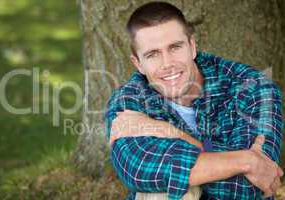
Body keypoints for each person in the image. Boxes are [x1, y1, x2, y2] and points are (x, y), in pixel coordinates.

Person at [104, 2, 283, 200]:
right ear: (138, 63)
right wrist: (246, 161)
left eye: (175, 47)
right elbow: (138, 171)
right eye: (152, 54)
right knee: (162, 192)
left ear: (192, 46)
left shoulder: (253, 87)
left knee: (175, 180)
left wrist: (167, 131)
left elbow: (248, 188)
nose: (168, 64)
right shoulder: (128, 103)